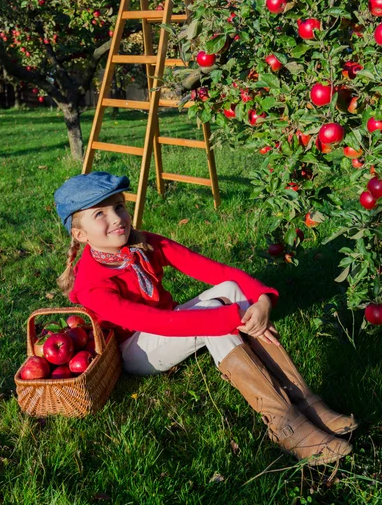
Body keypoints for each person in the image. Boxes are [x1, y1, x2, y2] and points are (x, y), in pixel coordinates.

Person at [54, 171, 357, 465]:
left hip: (168, 323)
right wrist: (228, 317)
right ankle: (284, 422)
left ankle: (302, 397)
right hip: (136, 350)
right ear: (80, 235)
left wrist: (261, 298)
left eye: (119, 206)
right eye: (100, 214)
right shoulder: (90, 285)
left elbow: (215, 271)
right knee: (212, 317)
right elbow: (152, 322)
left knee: (229, 289)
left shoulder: (143, 243)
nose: (117, 218)